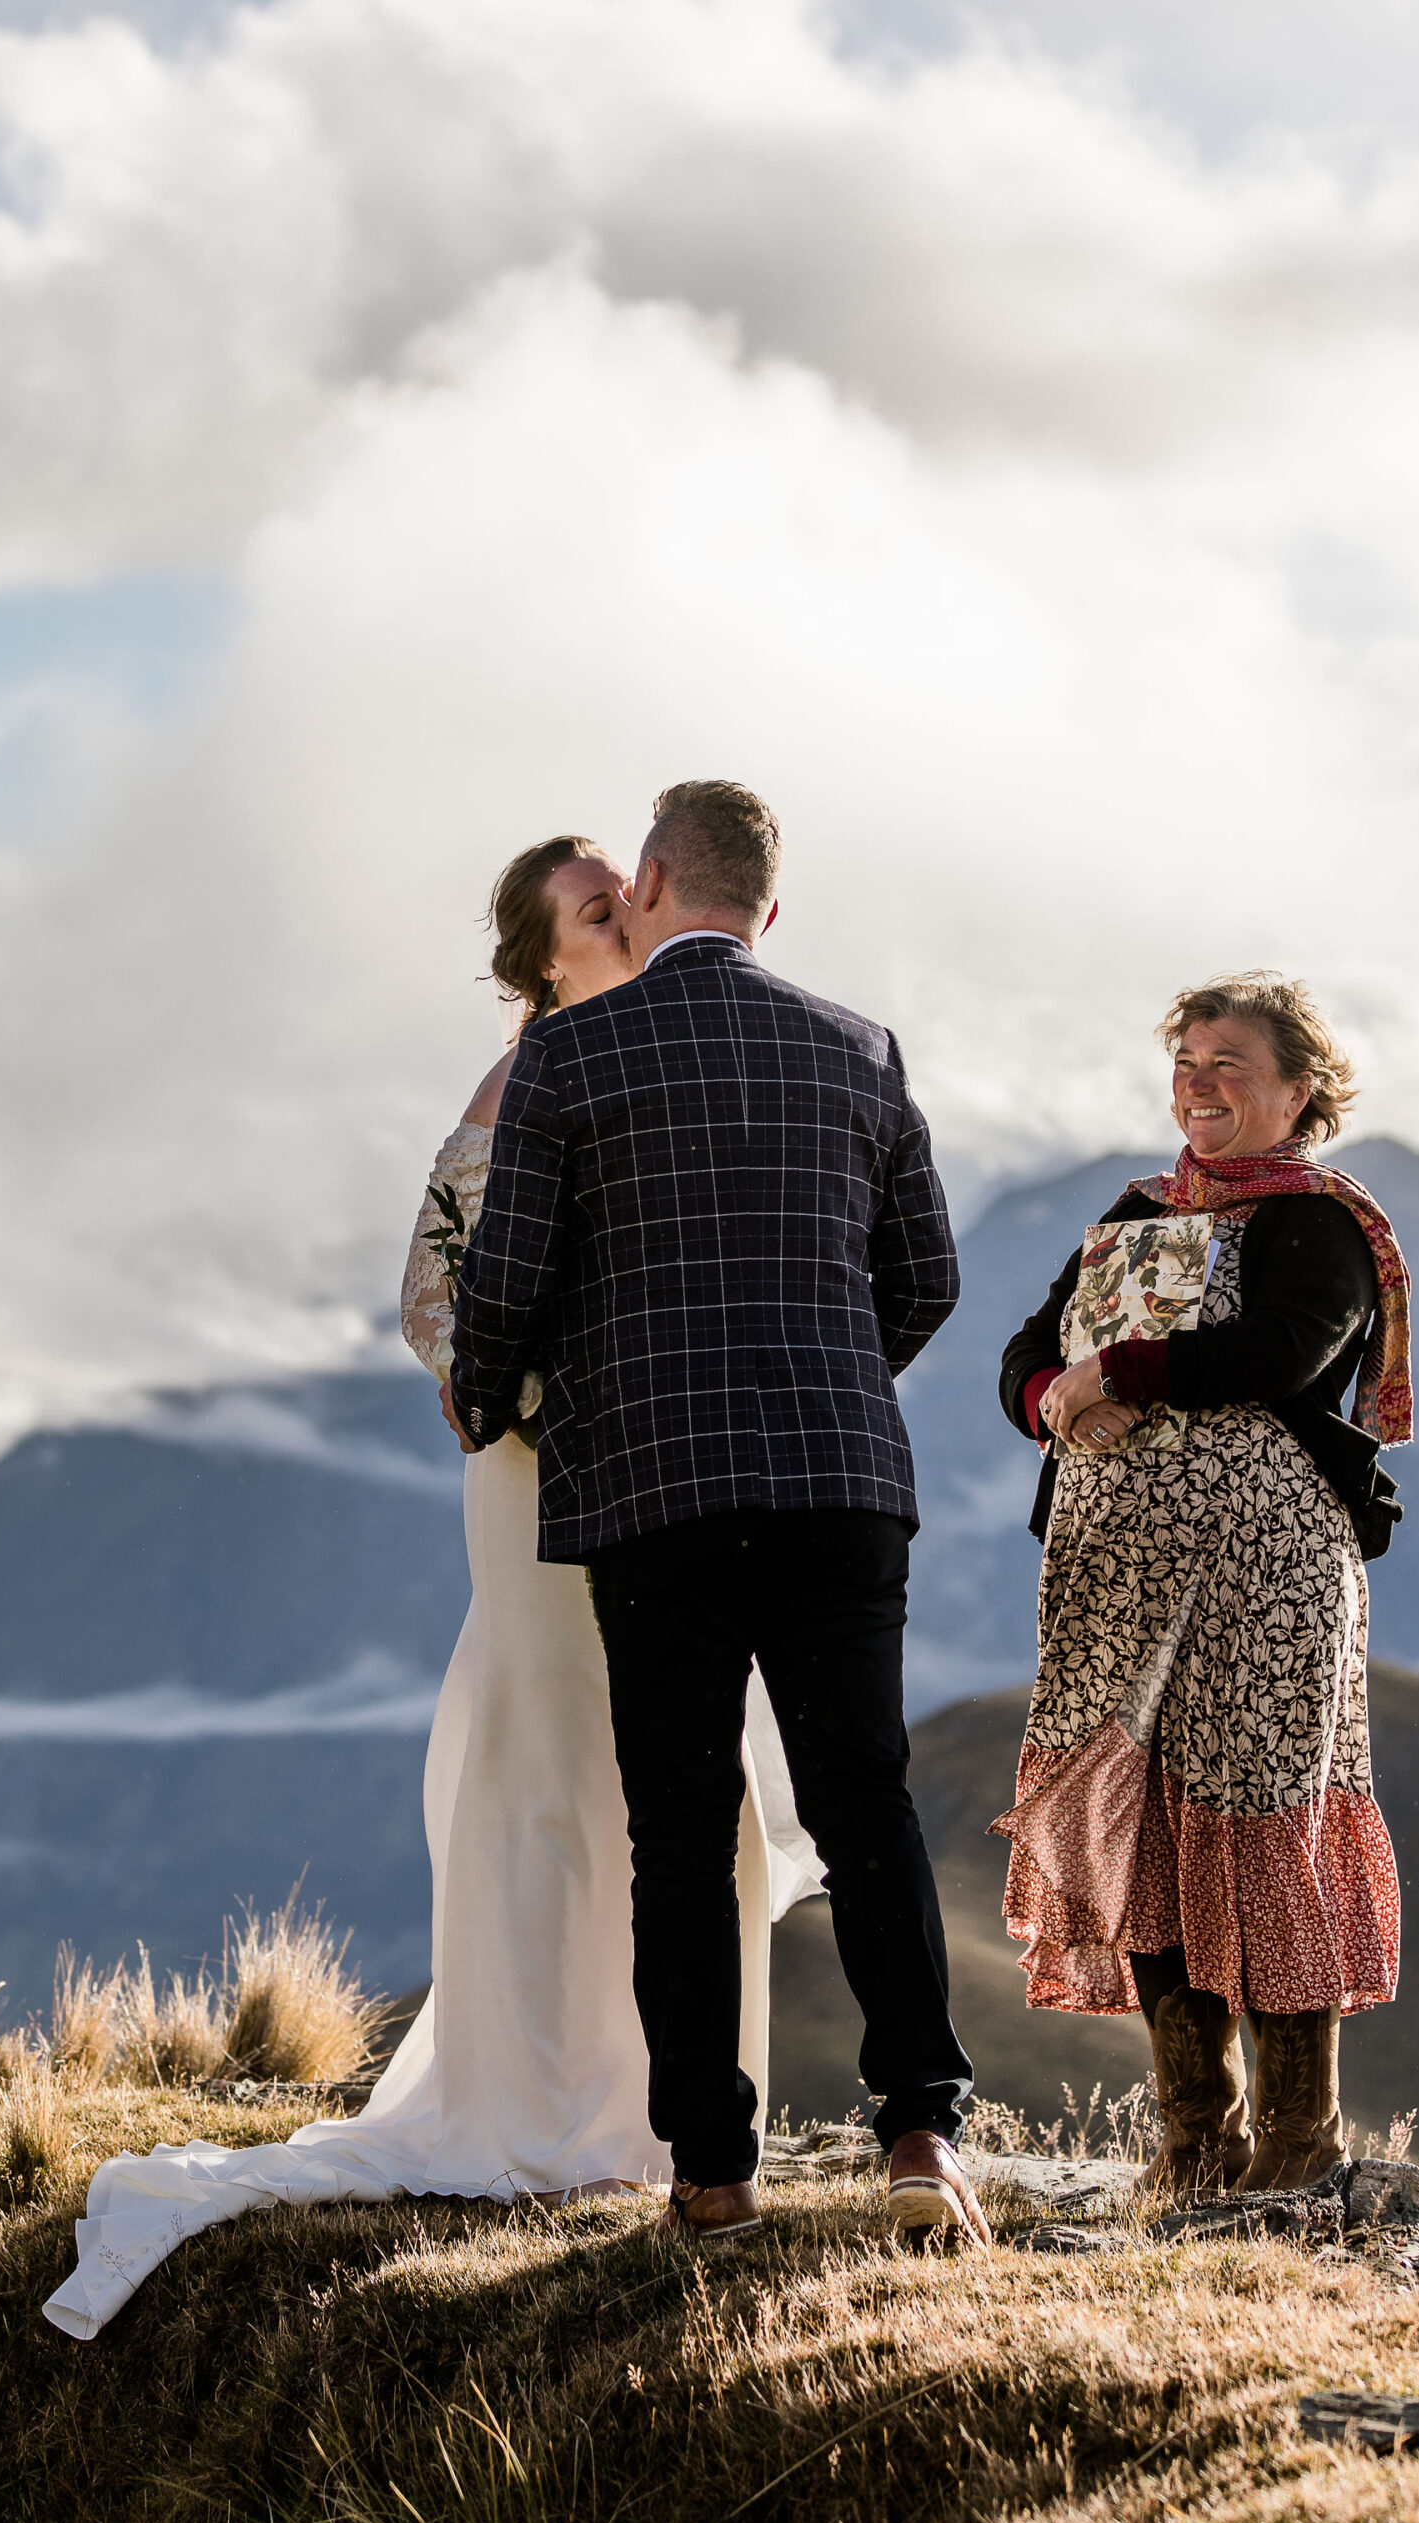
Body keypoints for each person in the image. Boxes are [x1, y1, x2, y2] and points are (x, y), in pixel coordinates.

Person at [43, 833, 822, 2342]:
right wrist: (552, 1400)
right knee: (550, 1766)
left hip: (680, 1483)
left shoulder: (657, 1062)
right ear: (545, 959)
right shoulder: (522, 1084)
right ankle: (539, 2102)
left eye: (632, 894)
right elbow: (432, 1299)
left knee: (692, 1780)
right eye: (598, 909)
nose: (630, 914)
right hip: (547, 1482)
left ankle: (682, 2114)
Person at [447, 779, 991, 2247]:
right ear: (767, 906)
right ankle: (920, 2139)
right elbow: (924, 1276)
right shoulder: (856, 1048)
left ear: (654, 874)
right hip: (838, 1484)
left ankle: (712, 2173)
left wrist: (486, 1397)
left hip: (649, 1487)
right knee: (863, 1804)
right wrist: (822, 1373)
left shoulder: (575, 1053)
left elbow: (501, 1282)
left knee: (679, 1830)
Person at [992, 974, 1410, 2197]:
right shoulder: (1135, 1210)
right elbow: (1029, 1349)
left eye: (1229, 1061)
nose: (1199, 1081)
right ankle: (1195, 2145)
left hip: (1264, 1580)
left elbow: (1286, 1348)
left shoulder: (1323, 1220)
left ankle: (1295, 2147)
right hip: (1114, 1577)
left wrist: (1117, 1361)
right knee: (1150, 1831)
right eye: (1185, 1058)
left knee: (1267, 1820)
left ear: (1298, 1089)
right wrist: (1050, 1399)